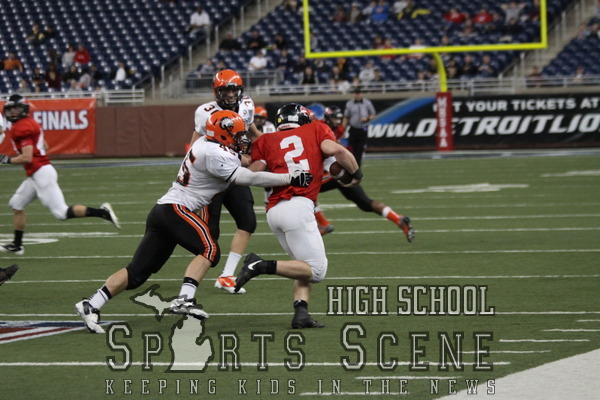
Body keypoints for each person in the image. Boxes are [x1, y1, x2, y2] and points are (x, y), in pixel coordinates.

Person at [75, 110, 313, 333]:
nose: (241, 138)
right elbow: (250, 178)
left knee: (137, 273)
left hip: (163, 211)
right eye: (236, 134)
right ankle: (184, 300)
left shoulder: (206, 144)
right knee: (210, 249)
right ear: (223, 135)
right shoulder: (215, 153)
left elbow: (243, 161)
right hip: (176, 209)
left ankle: (91, 304)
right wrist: (290, 177)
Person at [234, 103, 361, 329]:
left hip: (274, 211)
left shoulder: (266, 140)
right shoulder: (316, 129)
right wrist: (356, 174)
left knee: (302, 266)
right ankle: (260, 265)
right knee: (317, 270)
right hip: (298, 207)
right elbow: (340, 152)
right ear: (303, 118)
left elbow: (251, 174)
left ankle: (301, 313)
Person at [0, 94, 120, 256]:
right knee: (16, 204)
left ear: (24, 109)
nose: (13, 112)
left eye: (16, 109)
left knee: (61, 213)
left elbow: (27, 157)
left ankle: (102, 212)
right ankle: (17, 245)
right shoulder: (29, 123)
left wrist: (5, 159)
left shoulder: (22, 127)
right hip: (37, 173)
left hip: (41, 173)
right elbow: (45, 145)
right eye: (10, 109)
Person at [191, 70, 263, 295]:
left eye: (234, 90)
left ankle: (227, 276)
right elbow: (195, 145)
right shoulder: (205, 112)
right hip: (212, 178)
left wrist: (267, 144)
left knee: (248, 222)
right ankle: (189, 285)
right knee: (210, 236)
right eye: (225, 90)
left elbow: (252, 130)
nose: (231, 95)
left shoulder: (247, 105)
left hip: (234, 175)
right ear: (216, 92)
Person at [318, 106, 415, 242]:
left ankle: (324, 224)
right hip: (340, 171)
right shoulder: (326, 128)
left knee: (305, 188)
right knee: (364, 203)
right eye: (335, 119)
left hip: (336, 172)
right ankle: (398, 219)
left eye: (338, 119)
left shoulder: (326, 129)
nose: (337, 122)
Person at [342, 86, 376, 167]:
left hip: (363, 129)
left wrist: (367, 119)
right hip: (353, 129)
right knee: (351, 149)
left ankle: (357, 167)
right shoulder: (349, 103)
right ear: (353, 94)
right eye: (356, 93)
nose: (357, 95)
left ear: (362, 94)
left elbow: (373, 115)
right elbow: (346, 117)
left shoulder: (367, 103)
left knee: (360, 149)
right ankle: (351, 167)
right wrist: (342, 130)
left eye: (359, 93)